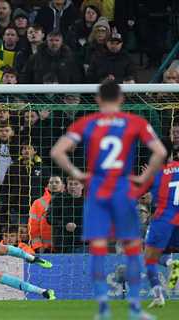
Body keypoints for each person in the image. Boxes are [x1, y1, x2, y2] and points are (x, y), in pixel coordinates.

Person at [50, 80, 167, 320]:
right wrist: (144, 176)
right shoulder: (135, 122)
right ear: (121, 98)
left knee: (98, 249)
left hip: (97, 190)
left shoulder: (88, 122)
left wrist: (77, 174)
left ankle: (103, 309)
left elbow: (57, 151)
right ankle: (135, 308)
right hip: (123, 190)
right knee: (133, 248)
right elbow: (161, 152)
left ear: (98, 99)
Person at [139, 140, 179, 308]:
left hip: (164, 220)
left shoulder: (154, 173)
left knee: (149, 257)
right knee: (166, 252)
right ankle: (171, 263)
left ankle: (158, 296)